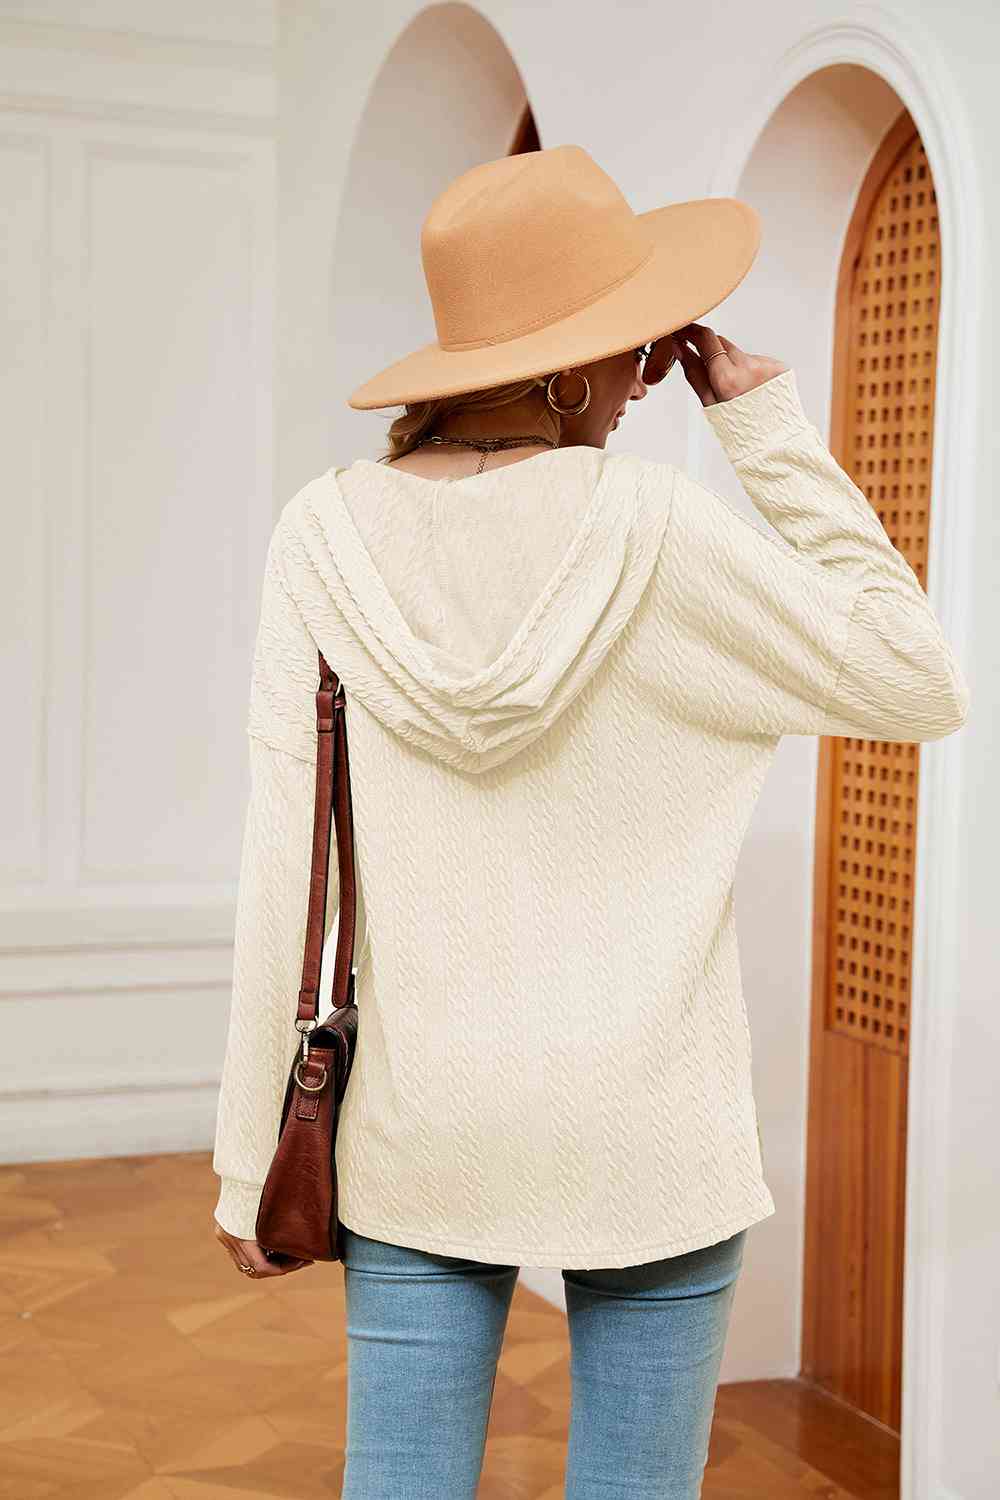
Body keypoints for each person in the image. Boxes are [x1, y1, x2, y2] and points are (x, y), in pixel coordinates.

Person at [210, 145, 969, 1498]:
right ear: (563, 374)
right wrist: (764, 427)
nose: (643, 378)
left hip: (421, 1131)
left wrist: (240, 1168)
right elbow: (917, 677)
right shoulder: (660, 530)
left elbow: (285, 864)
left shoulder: (321, 536)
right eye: (628, 347)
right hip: (650, 1134)